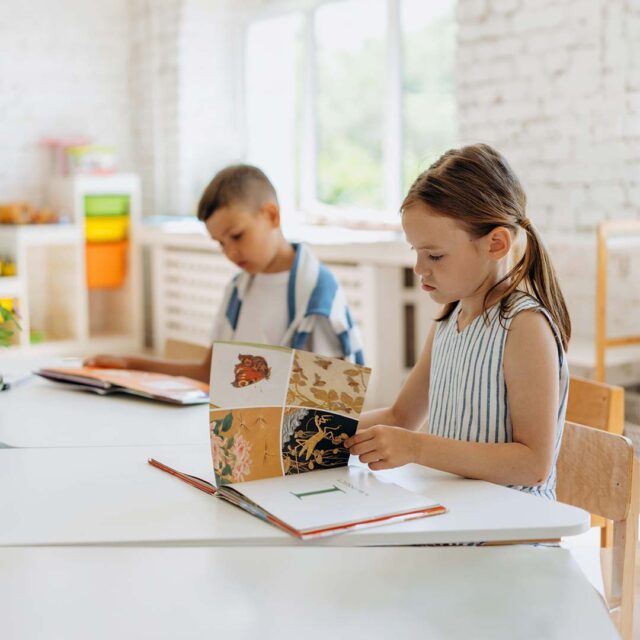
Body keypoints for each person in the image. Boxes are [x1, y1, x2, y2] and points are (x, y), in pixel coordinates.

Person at [346, 143, 570, 499]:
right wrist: (317, 434)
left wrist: (417, 448)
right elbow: (401, 414)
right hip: (456, 518)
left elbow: (533, 464)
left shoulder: (524, 327)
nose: (420, 269)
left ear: (495, 244)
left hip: (511, 534)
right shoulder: (449, 319)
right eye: (416, 253)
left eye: (434, 255)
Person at [85, 164, 364, 382]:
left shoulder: (317, 297)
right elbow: (212, 373)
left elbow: (331, 396)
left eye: (237, 236)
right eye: (220, 243)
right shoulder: (238, 289)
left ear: (271, 216)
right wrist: (132, 365)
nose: (230, 252)